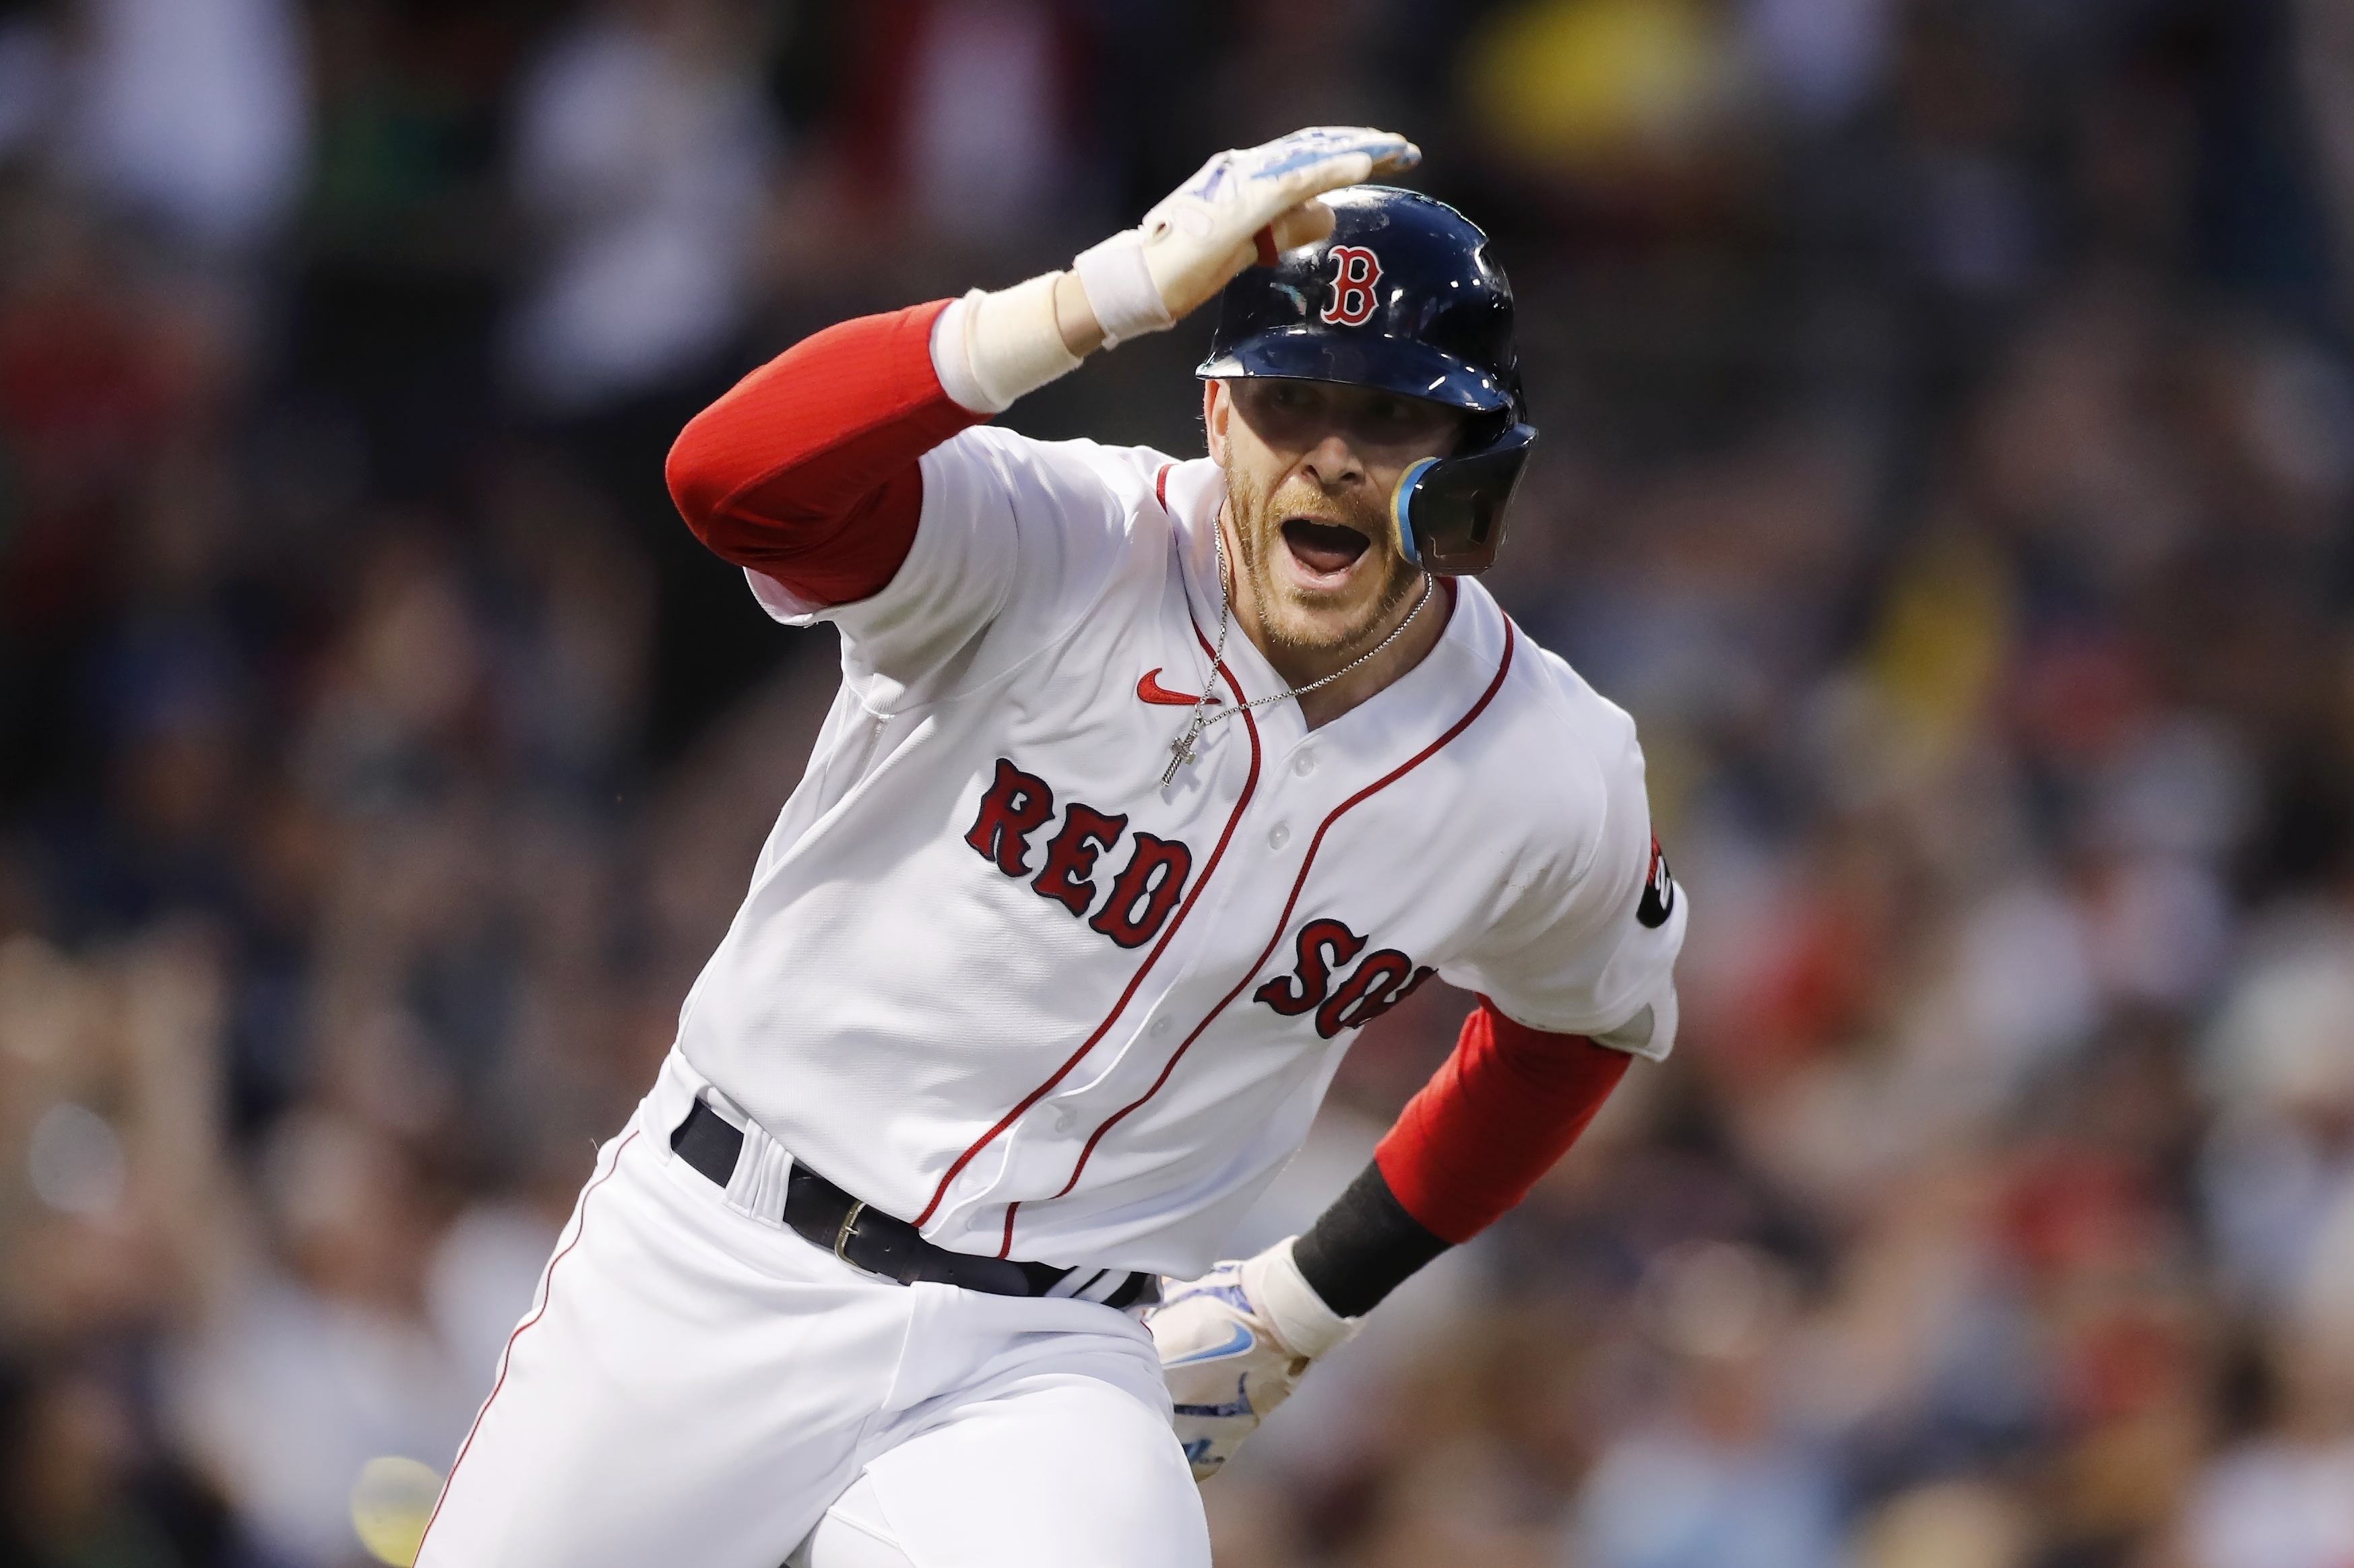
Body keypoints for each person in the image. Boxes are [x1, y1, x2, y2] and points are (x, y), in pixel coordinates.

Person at [416, 126, 1684, 1568]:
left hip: (1046, 1354)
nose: (1330, 452)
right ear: (1215, 419)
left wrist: (1311, 1295)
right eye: (1290, 399)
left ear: (1477, 459)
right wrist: (1097, 297)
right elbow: (733, 478)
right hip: (720, 1257)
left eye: (1392, 415)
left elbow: (1575, 1028)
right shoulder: (1058, 537)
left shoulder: (1549, 772)